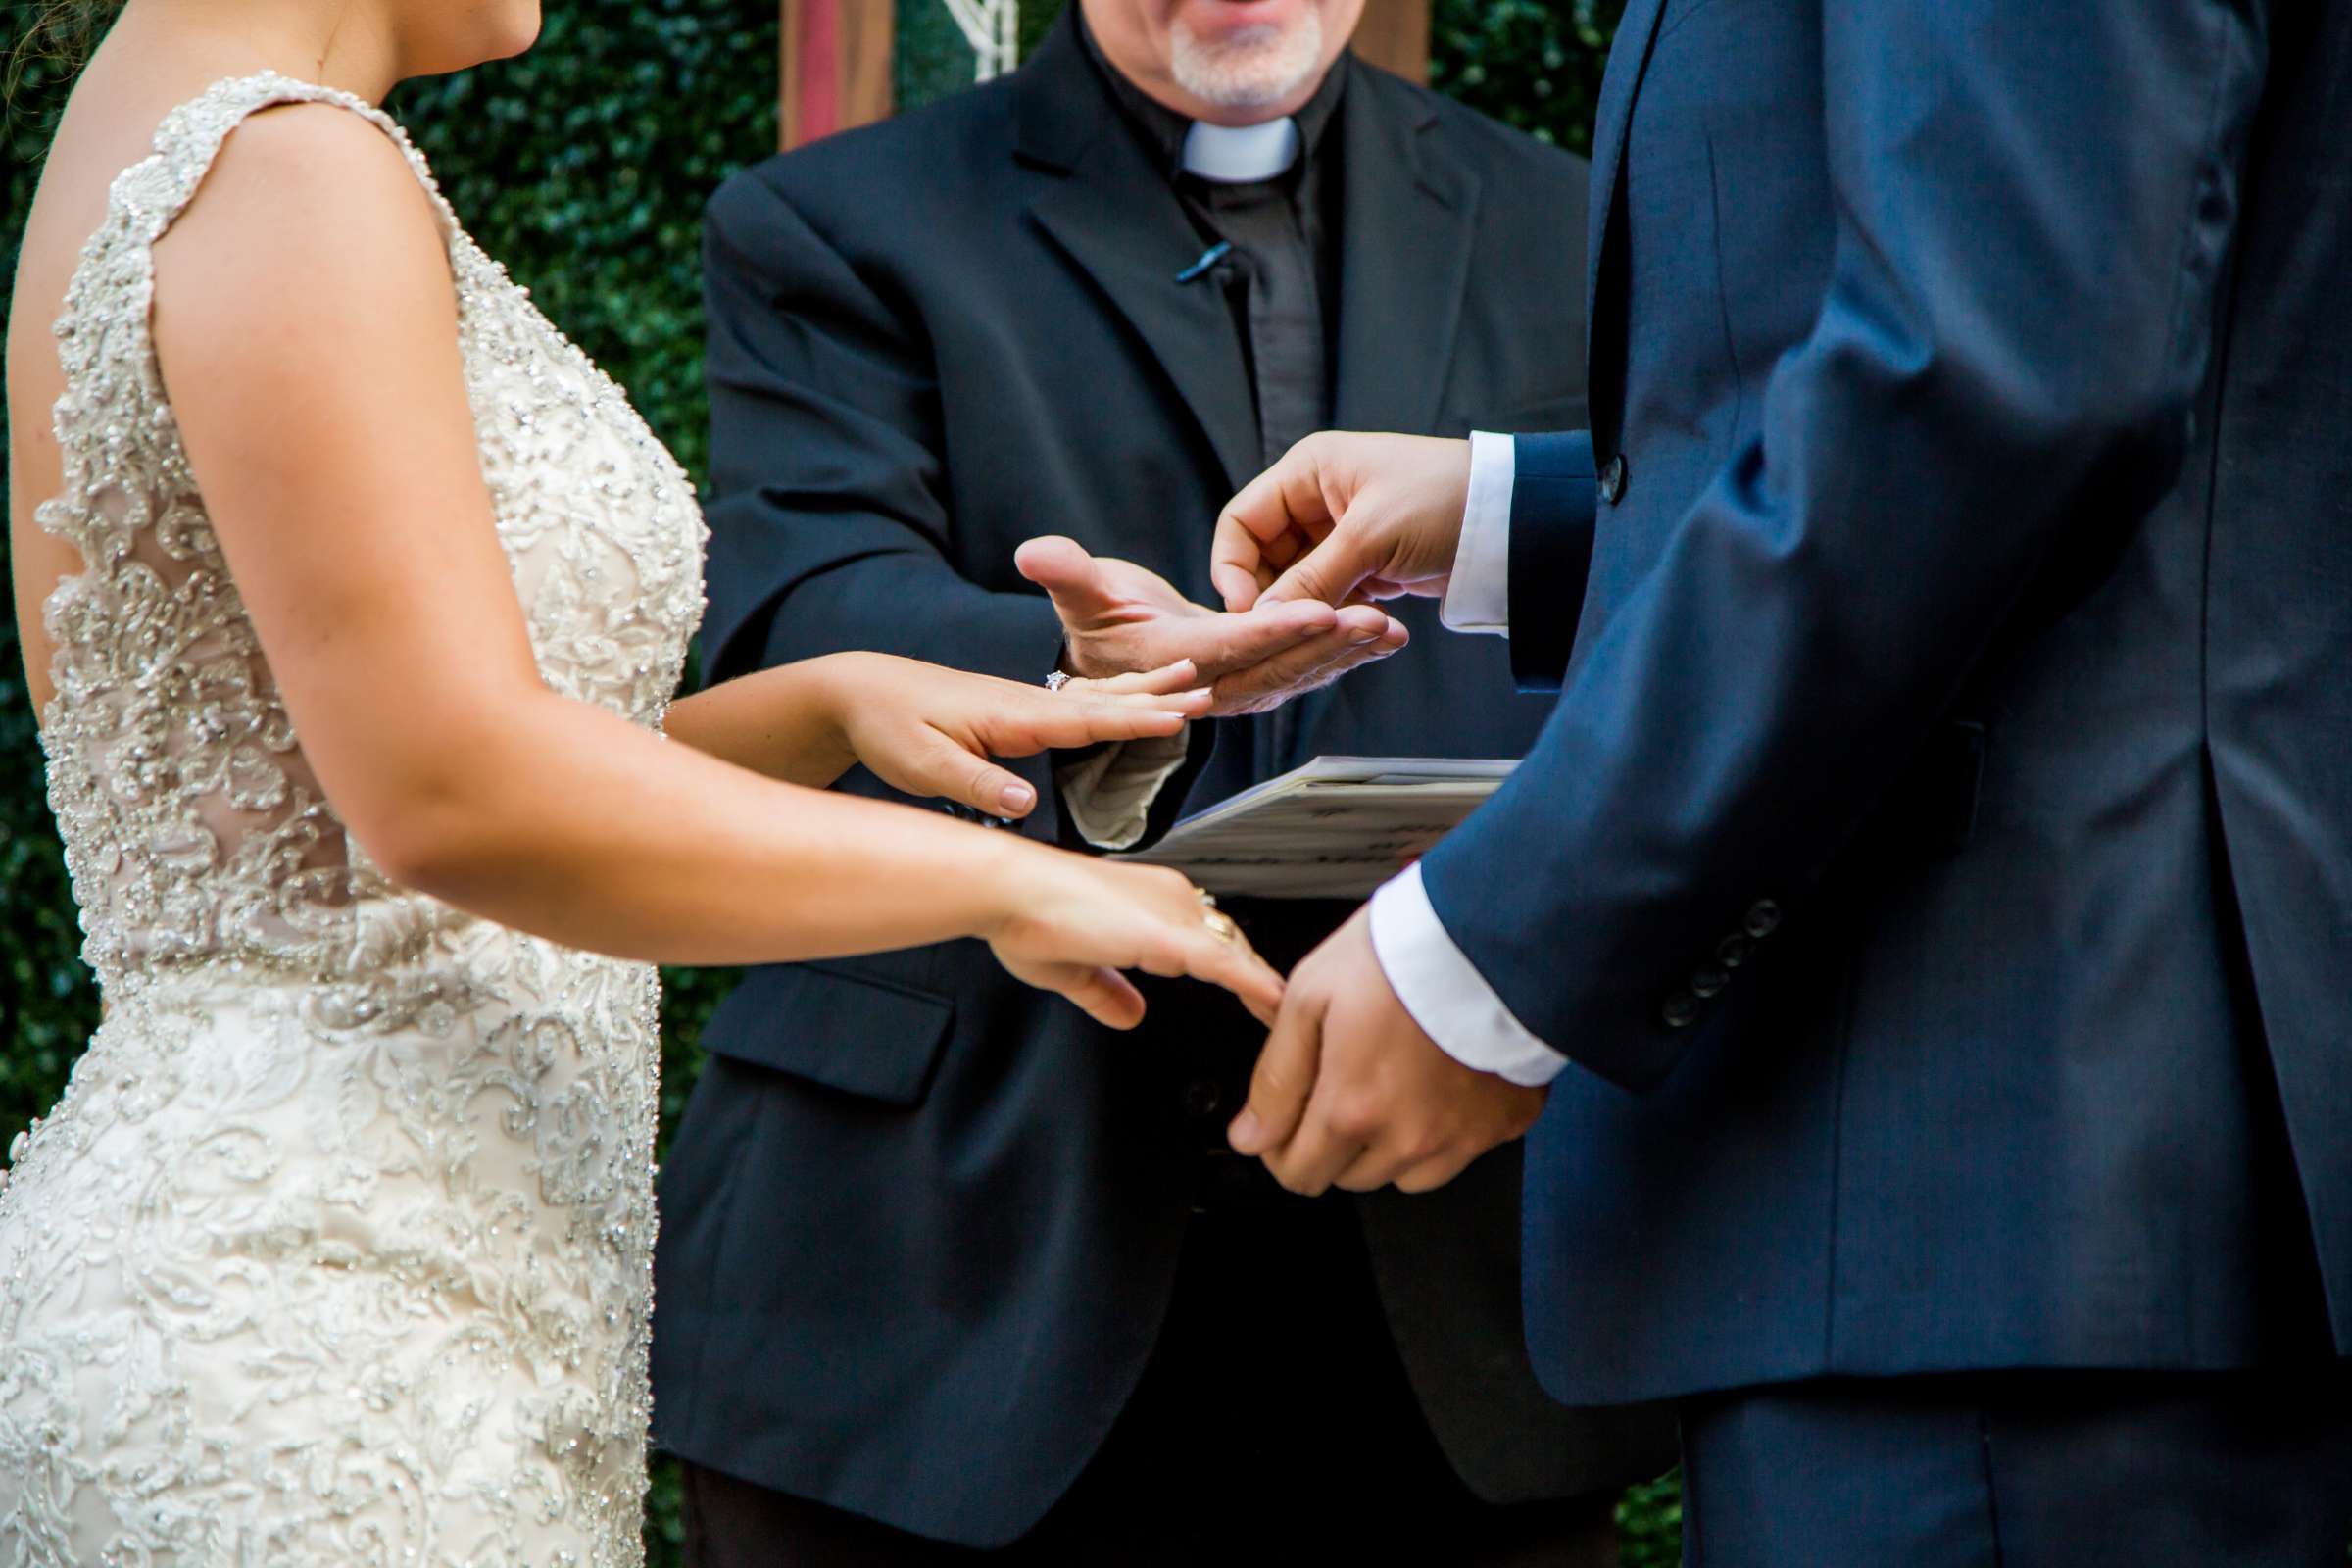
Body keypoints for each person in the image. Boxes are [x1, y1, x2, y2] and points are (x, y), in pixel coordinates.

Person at [0, 0, 1292, 1556]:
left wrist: (825, 704)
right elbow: (450, 799)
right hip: (321, 1345)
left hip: (388, 1292)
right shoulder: (285, 174)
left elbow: (340, 807)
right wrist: (1015, 879)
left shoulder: (181, 132)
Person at [1208, 0, 2352, 1561]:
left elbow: (2001, 374)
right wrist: (1505, 515)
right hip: (2036, 1217)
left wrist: (1511, 948)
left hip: (2009, 1183)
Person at [651, 0, 1673, 1561]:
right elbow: (803, 611)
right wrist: (1101, 685)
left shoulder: (1573, 211)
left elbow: (1676, 595)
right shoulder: (830, 220)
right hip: (938, 1281)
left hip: (1451, 1310)